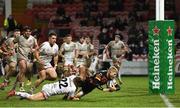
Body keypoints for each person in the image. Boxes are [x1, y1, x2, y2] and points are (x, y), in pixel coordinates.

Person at [8, 26, 38, 92]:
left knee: (24, 71)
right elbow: (12, 42)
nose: (28, 32)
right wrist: (11, 49)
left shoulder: (33, 38)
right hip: (20, 56)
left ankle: (14, 86)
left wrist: (34, 49)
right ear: (24, 32)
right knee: (23, 68)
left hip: (28, 57)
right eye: (27, 31)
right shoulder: (19, 37)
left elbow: (36, 46)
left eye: (29, 31)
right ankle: (21, 87)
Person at [7, 75, 83, 101]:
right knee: (32, 98)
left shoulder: (72, 77)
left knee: (32, 97)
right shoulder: (73, 88)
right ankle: (15, 92)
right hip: (48, 92)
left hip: (48, 86)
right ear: (78, 84)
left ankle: (21, 95)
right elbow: (71, 98)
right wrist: (76, 98)